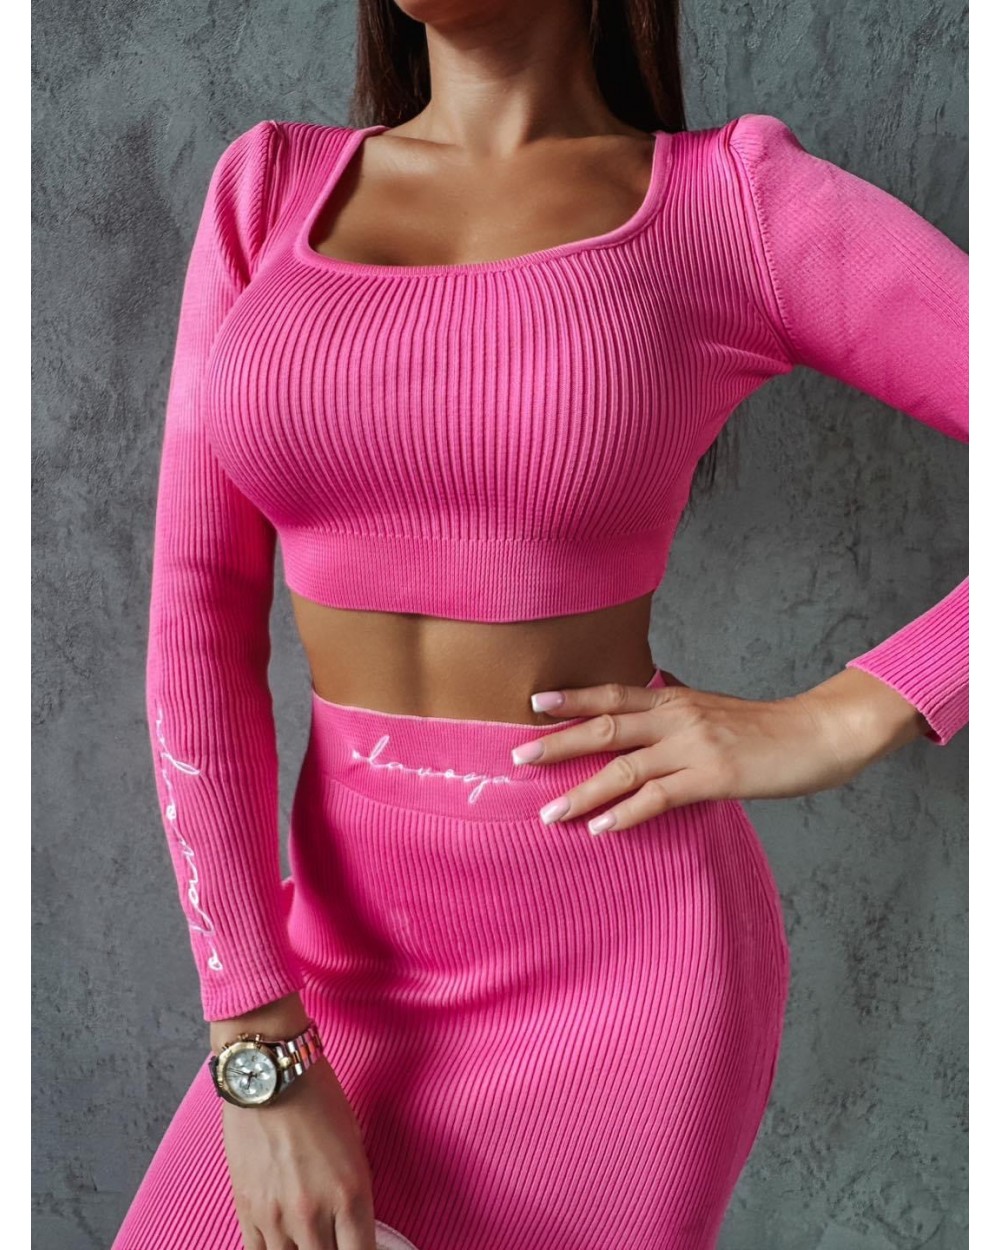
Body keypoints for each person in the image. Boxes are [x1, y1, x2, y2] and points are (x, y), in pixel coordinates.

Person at [110, 1, 968, 1248]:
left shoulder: (730, 203)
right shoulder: (270, 189)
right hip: (329, 960)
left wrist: (849, 713)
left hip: (625, 971)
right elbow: (196, 617)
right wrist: (259, 1035)